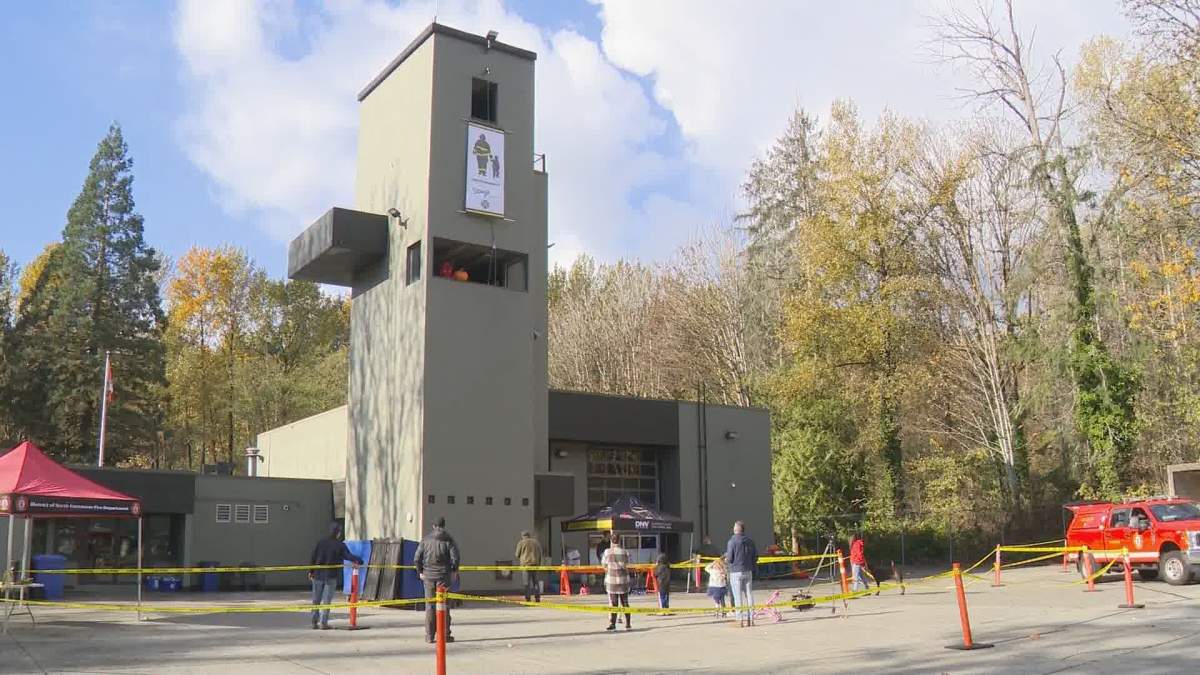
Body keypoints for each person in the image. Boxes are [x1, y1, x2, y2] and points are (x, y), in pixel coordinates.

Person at [414, 517, 461, 644]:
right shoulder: (448, 540)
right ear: (444, 526)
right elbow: (455, 558)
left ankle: (429, 635)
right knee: (444, 605)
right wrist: (454, 571)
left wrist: (420, 572)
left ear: (434, 526)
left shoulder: (425, 540)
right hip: (443, 577)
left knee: (430, 606)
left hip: (428, 576)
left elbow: (417, 558)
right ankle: (445, 634)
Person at [308, 522, 363, 630]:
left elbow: (313, 556)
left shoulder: (321, 543)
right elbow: (348, 556)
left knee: (316, 599)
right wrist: (359, 560)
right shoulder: (340, 545)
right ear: (338, 533)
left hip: (318, 574)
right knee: (327, 600)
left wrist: (311, 571)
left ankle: (314, 622)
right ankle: (323, 623)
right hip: (331, 575)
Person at [725, 520, 758, 627]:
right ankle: (751, 619)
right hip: (748, 570)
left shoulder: (732, 541)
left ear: (735, 529)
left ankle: (740, 620)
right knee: (749, 595)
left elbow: (730, 558)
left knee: (737, 596)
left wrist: (726, 559)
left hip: (735, 571)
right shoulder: (750, 541)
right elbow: (756, 557)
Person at [601, 532, 632, 631]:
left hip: (611, 581)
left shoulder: (607, 552)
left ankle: (612, 624)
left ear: (611, 540)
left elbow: (604, 565)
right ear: (619, 540)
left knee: (613, 603)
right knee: (625, 603)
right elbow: (628, 564)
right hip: (624, 581)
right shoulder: (625, 552)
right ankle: (628, 624)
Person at [514, 531, 544, 602]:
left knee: (526, 583)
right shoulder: (536, 542)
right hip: (535, 565)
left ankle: (528, 598)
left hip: (526, 565)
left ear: (522, 536)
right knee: (535, 582)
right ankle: (537, 597)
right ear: (529, 535)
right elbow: (540, 553)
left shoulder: (521, 543)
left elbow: (517, 554)